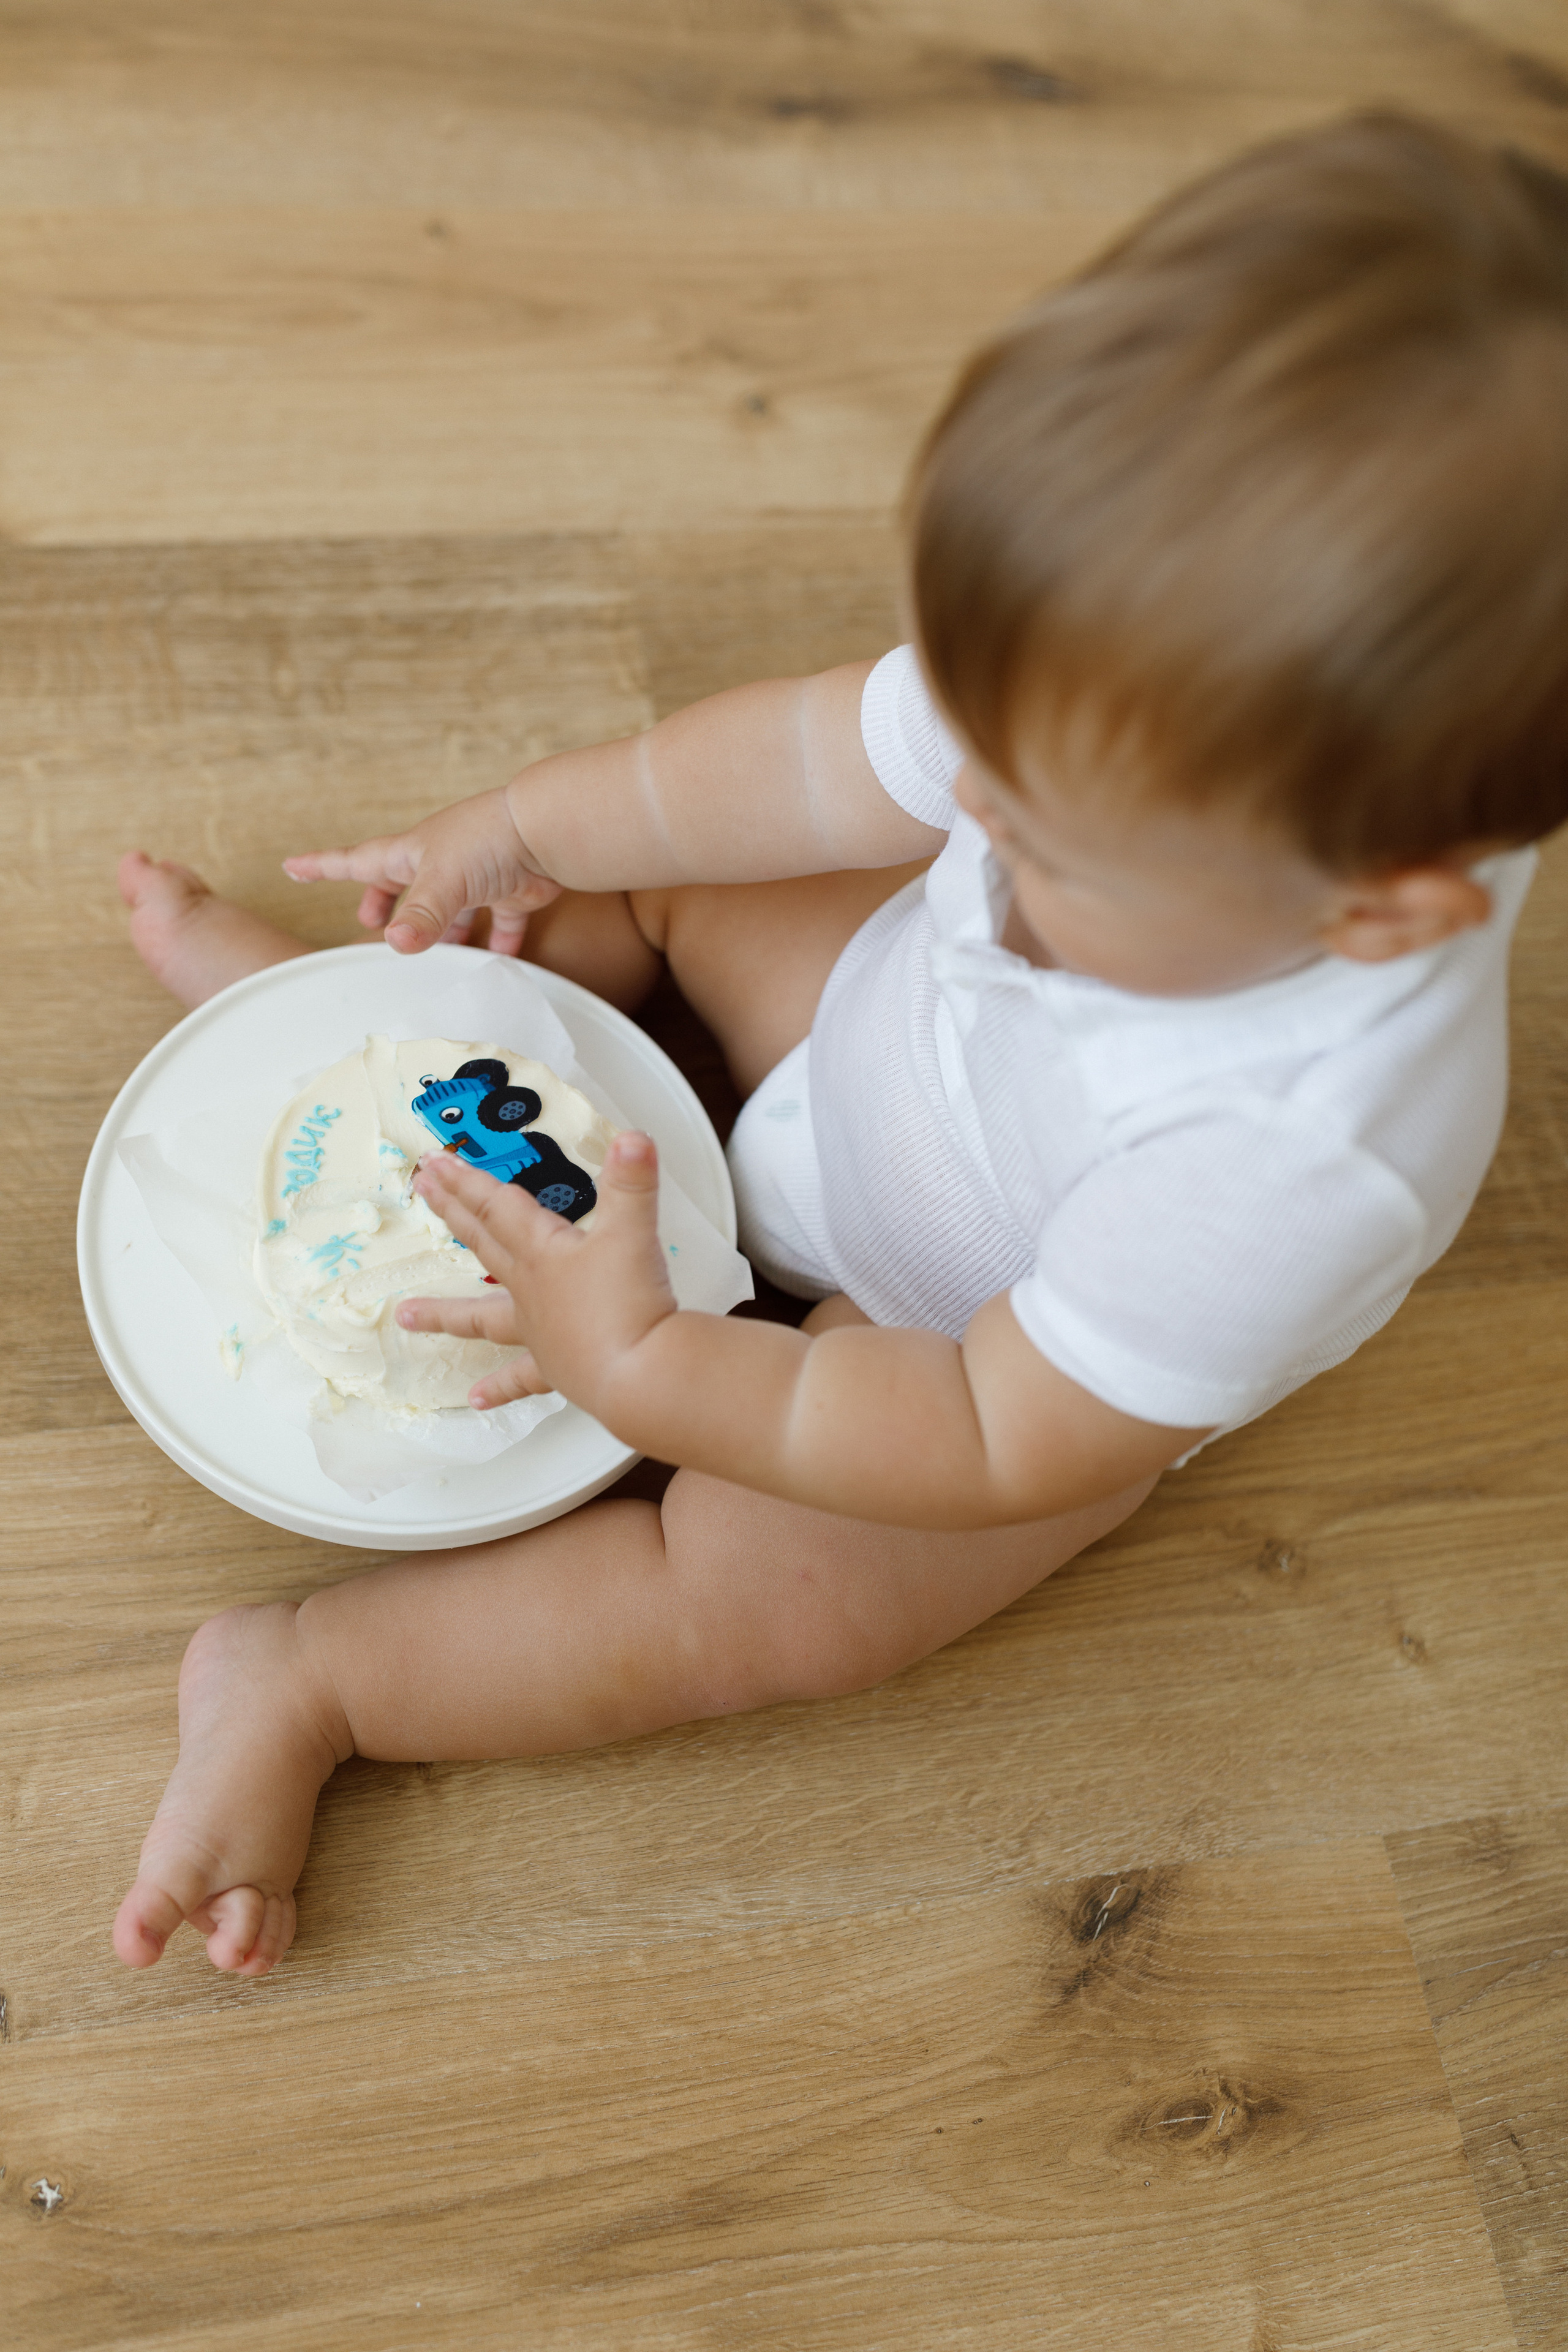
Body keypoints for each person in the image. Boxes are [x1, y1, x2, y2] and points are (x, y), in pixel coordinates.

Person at [112, 113, 1568, 1977]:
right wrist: (537, 829)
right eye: (984, 764)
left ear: (1382, 914)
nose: (983, 834)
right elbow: (797, 765)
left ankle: (313, 1684)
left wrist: (649, 1367)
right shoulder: (1123, 696)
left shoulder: (1299, 1162)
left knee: (763, 1601)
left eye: (1052, 842)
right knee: (638, 888)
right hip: (870, 1040)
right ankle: (334, 1022)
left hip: (958, 1343)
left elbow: (994, 1433)